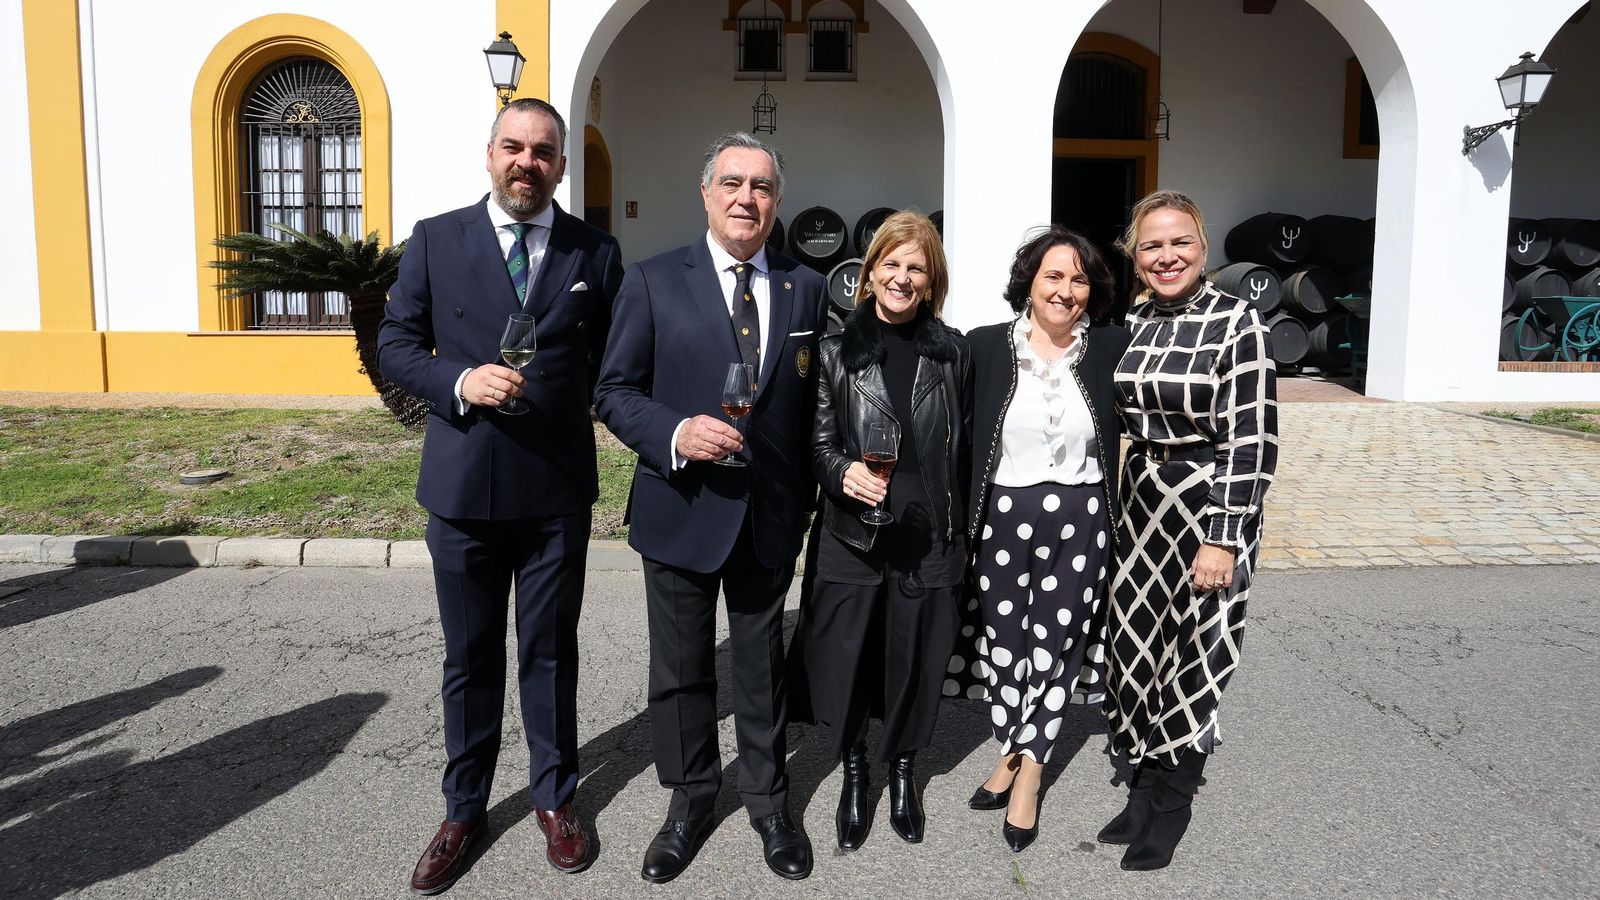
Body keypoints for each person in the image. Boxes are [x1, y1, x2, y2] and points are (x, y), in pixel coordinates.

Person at [378, 97, 622, 892]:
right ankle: (464, 809)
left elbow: (618, 361)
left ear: (560, 165)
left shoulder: (596, 251)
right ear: (489, 155)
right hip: (462, 485)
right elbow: (396, 345)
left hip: (554, 488)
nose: (527, 163)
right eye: (513, 148)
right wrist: (456, 378)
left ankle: (556, 800)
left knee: (551, 655)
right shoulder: (436, 239)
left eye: (543, 152)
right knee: (471, 657)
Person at [593, 133, 829, 884]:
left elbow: (815, 403)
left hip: (768, 514)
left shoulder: (807, 287)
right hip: (680, 505)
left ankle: (767, 803)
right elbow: (614, 392)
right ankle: (690, 799)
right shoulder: (654, 280)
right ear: (706, 194)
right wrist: (674, 430)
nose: (745, 198)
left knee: (761, 670)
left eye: (761, 186)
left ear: (777, 200)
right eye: (731, 182)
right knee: (682, 671)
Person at [1099, 189, 1278, 870]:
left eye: (1180, 243)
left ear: (1202, 248)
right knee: (1136, 647)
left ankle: (1171, 803)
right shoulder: (1131, 319)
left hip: (1208, 503)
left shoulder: (1238, 323)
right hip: (1143, 501)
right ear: (1135, 256)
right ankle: (1142, 784)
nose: (1167, 256)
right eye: (1152, 245)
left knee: (1198, 651)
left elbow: (1253, 440)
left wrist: (1223, 536)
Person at [789, 211, 972, 852]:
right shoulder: (838, 353)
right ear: (869, 276)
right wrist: (843, 475)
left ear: (930, 282)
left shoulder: (952, 354)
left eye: (914, 268)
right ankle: (857, 767)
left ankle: (902, 769)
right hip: (852, 531)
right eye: (890, 264)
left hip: (931, 533)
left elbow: (969, 447)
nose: (901, 277)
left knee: (917, 661)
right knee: (848, 660)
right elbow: (816, 445)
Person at [949, 226, 1130, 854]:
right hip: (1002, 512)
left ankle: (1030, 771)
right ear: (1029, 282)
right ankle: (1010, 746)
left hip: (1081, 516)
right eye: (1054, 275)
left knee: (1054, 647)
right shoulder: (985, 349)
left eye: (1079, 279)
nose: (1066, 290)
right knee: (1005, 643)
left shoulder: (1110, 347)